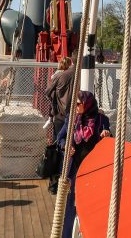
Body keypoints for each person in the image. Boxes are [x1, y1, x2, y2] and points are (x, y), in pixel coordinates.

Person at [56, 91, 111, 238]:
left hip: (94, 170)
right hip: (75, 169)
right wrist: (65, 146)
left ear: (88, 104)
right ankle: (67, 235)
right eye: (75, 103)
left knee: (93, 204)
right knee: (72, 203)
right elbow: (60, 137)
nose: (76, 106)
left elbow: (109, 138)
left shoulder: (101, 120)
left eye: (79, 104)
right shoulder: (72, 119)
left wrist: (107, 134)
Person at [44, 63, 76, 194]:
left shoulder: (61, 76)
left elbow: (47, 92)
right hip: (76, 117)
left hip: (61, 117)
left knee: (59, 149)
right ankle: (70, 182)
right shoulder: (83, 74)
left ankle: (55, 185)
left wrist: (54, 104)